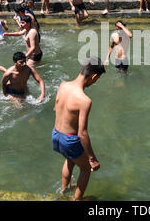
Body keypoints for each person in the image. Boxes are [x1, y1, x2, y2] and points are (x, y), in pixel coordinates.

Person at [52, 56, 105, 200]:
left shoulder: (63, 86)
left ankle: (63, 190)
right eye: (97, 80)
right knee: (85, 168)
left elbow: (55, 109)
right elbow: (82, 133)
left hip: (56, 134)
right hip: (70, 139)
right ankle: (77, 199)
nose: (94, 83)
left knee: (70, 160)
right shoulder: (84, 100)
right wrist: (92, 158)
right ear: (93, 76)